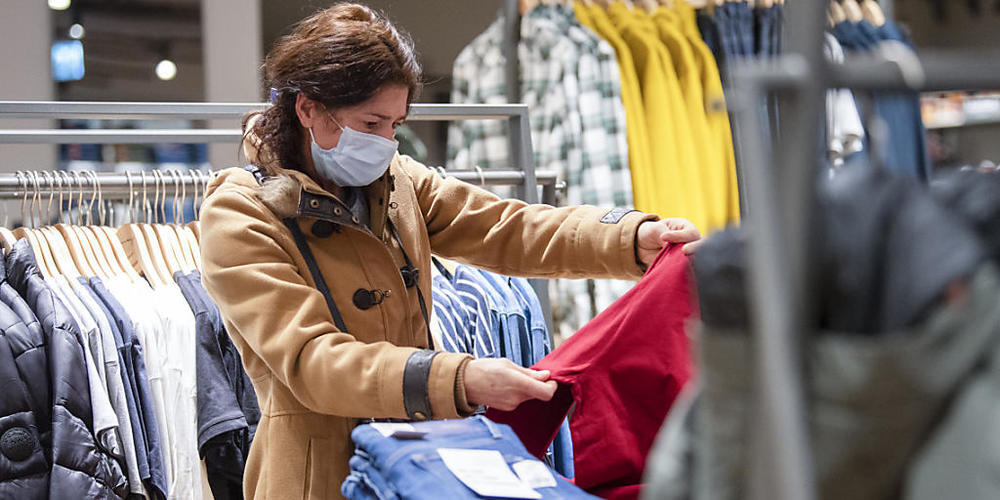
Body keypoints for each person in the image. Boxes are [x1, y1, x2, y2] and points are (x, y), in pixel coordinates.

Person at [198, 3, 702, 499]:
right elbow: (312, 361)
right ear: (308, 108)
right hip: (317, 479)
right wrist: (461, 379)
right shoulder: (241, 215)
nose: (387, 142)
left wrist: (629, 237)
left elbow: (506, 227)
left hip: (417, 461)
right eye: (372, 124)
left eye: (396, 125)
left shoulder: (395, 181)